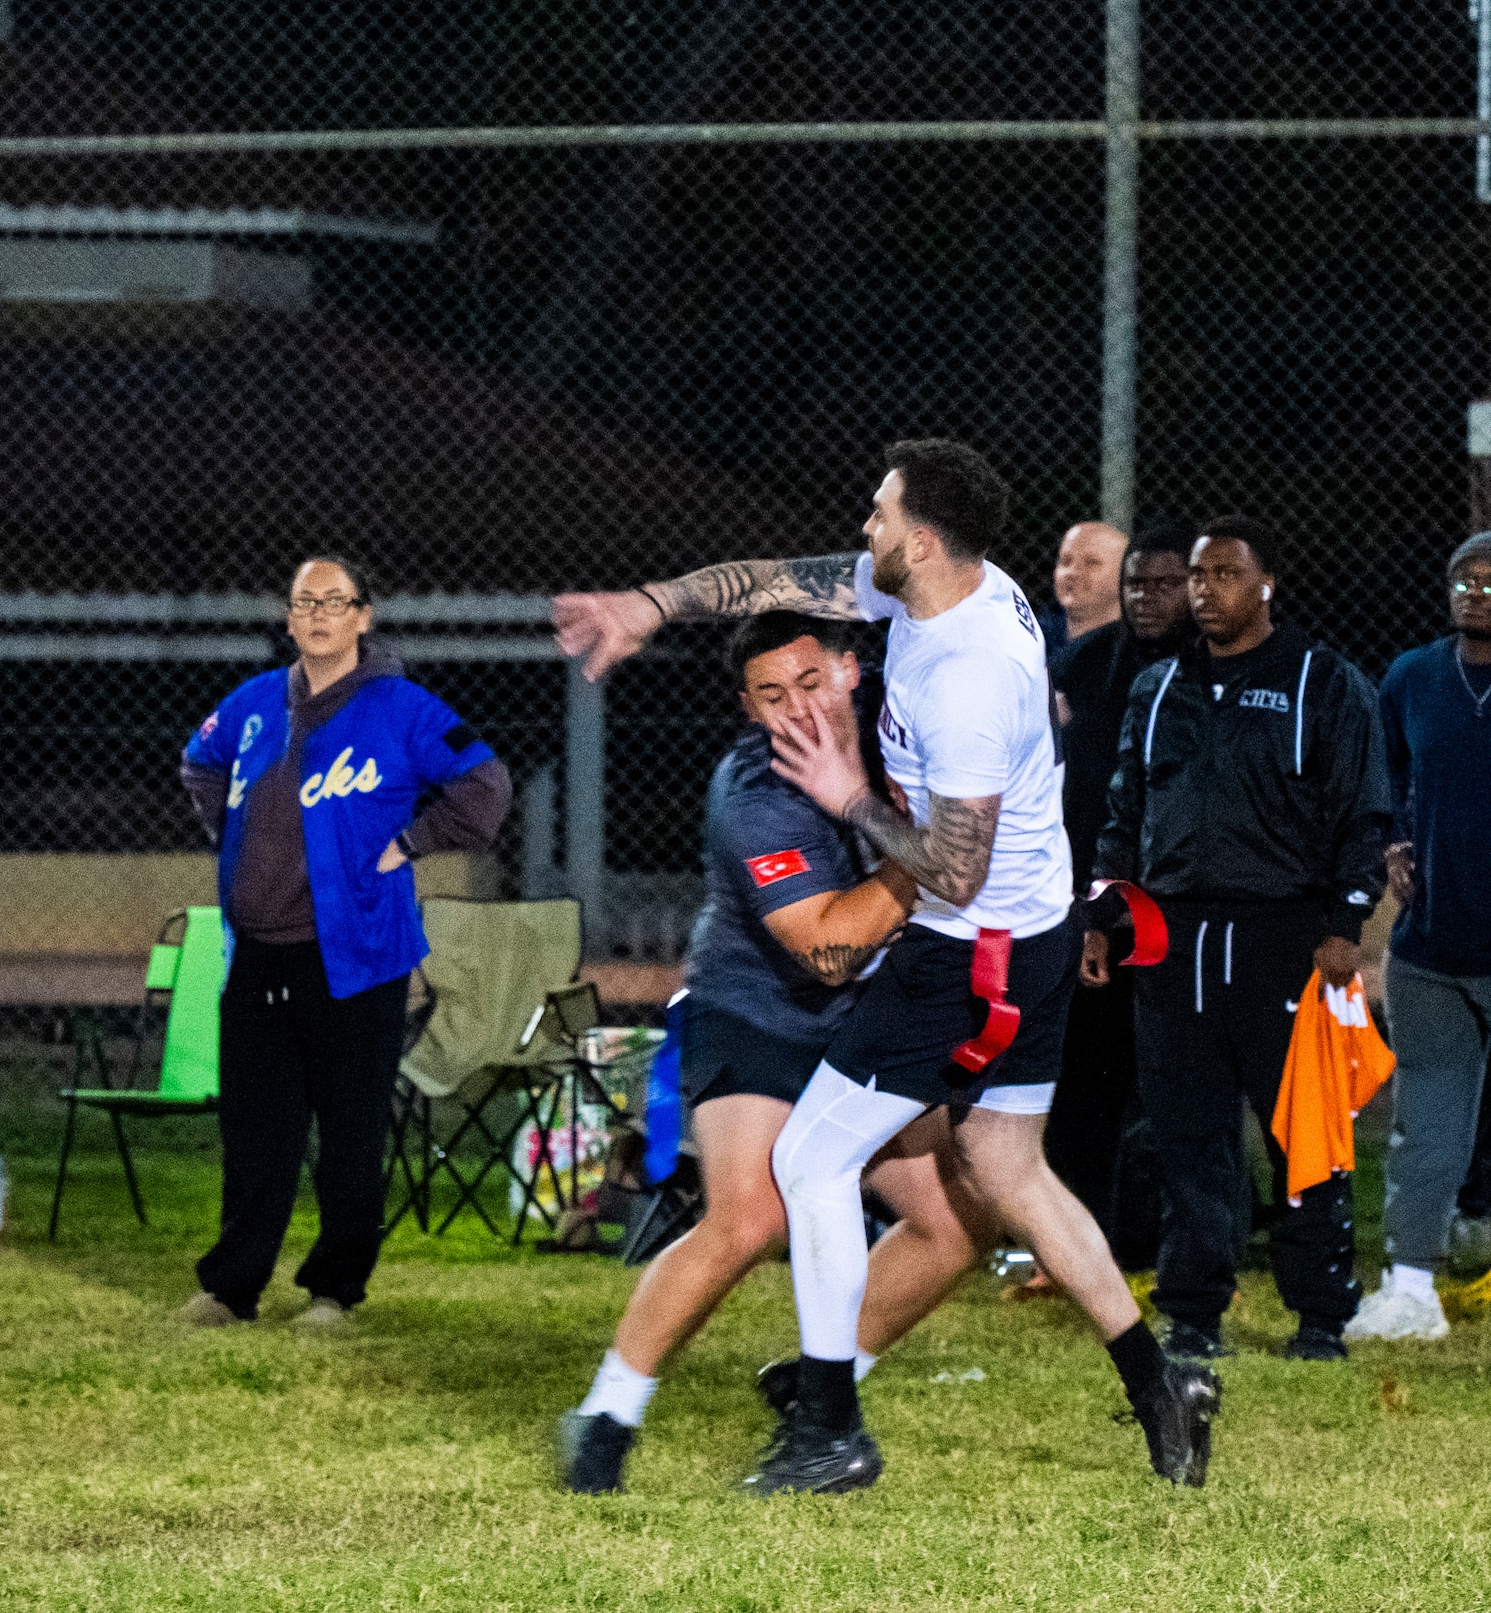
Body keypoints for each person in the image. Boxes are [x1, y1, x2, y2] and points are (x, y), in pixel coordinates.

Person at [555, 440, 1219, 1496]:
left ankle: (829, 1427)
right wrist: (648, 604)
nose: (864, 528)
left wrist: (848, 794)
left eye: (879, 512)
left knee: (813, 1164)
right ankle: (1159, 1385)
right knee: (1007, 1171)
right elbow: (777, 579)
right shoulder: (947, 589)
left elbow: (954, 873)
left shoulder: (963, 678)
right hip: (1013, 939)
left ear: (921, 541)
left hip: (968, 954)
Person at [563, 612, 993, 1494]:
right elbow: (827, 950)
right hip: (754, 1011)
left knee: (956, 1225)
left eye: (811, 682)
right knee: (750, 1220)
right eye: (771, 696)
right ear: (747, 708)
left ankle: (822, 1391)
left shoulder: (904, 734)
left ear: (851, 671)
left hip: (861, 1023)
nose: (798, 709)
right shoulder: (755, 793)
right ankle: (607, 1415)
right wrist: (932, 857)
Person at [1088, 516, 1390, 1364]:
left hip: (1282, 938)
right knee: (1185, 1132)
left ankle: (1321, 1315)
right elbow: (1124, 810)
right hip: (1172, 939)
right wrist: (1103, 915)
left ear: (1266, 585)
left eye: (1224, 574)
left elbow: (1363, 812)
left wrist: (1345, 923)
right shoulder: (1158, 688)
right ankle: (1193, 1314)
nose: (1204, 590)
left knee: (1303, 1130)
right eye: (1197, 575)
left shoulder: (1322, 682)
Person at [179, 556, 510, 1326]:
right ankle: (231, 1287)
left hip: (357, 953)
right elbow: (200, 761)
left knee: (351, 1133)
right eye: (306, 602)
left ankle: (334, 1290)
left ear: (364, 616)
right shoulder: (255, 701)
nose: (320, 614)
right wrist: (234, 837)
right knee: (256, 1130)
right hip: (256, 952)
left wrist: (412, 841)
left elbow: (485, 785)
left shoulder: (402, 707)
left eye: (337, 601)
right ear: (288, 617)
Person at [1345, 532, 1491, 1340]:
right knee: (1426, 1123)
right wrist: (1396, 837)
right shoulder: (1412, 676)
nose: (1477, 593)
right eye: (1465, 579)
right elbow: (1387, 773)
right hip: (1433, 947)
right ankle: (1411, 1290)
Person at [1045, 512, 1195, 1258]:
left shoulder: (1223, 669)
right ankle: (1079, 1248)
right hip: (1098, 905)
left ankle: (1195, 1242)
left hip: (1191, 909)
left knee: (1187, 1087)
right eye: (1137, 582)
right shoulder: (1084, 663)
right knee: (1085, 1085)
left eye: (1166, 584)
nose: (1147, 597)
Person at [1039, 521, 1129, 659]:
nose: (1072, 572)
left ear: (1125, 575)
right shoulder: (1031, 638)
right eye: (1066, 561)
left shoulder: (1138, 650)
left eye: (1092, 563)